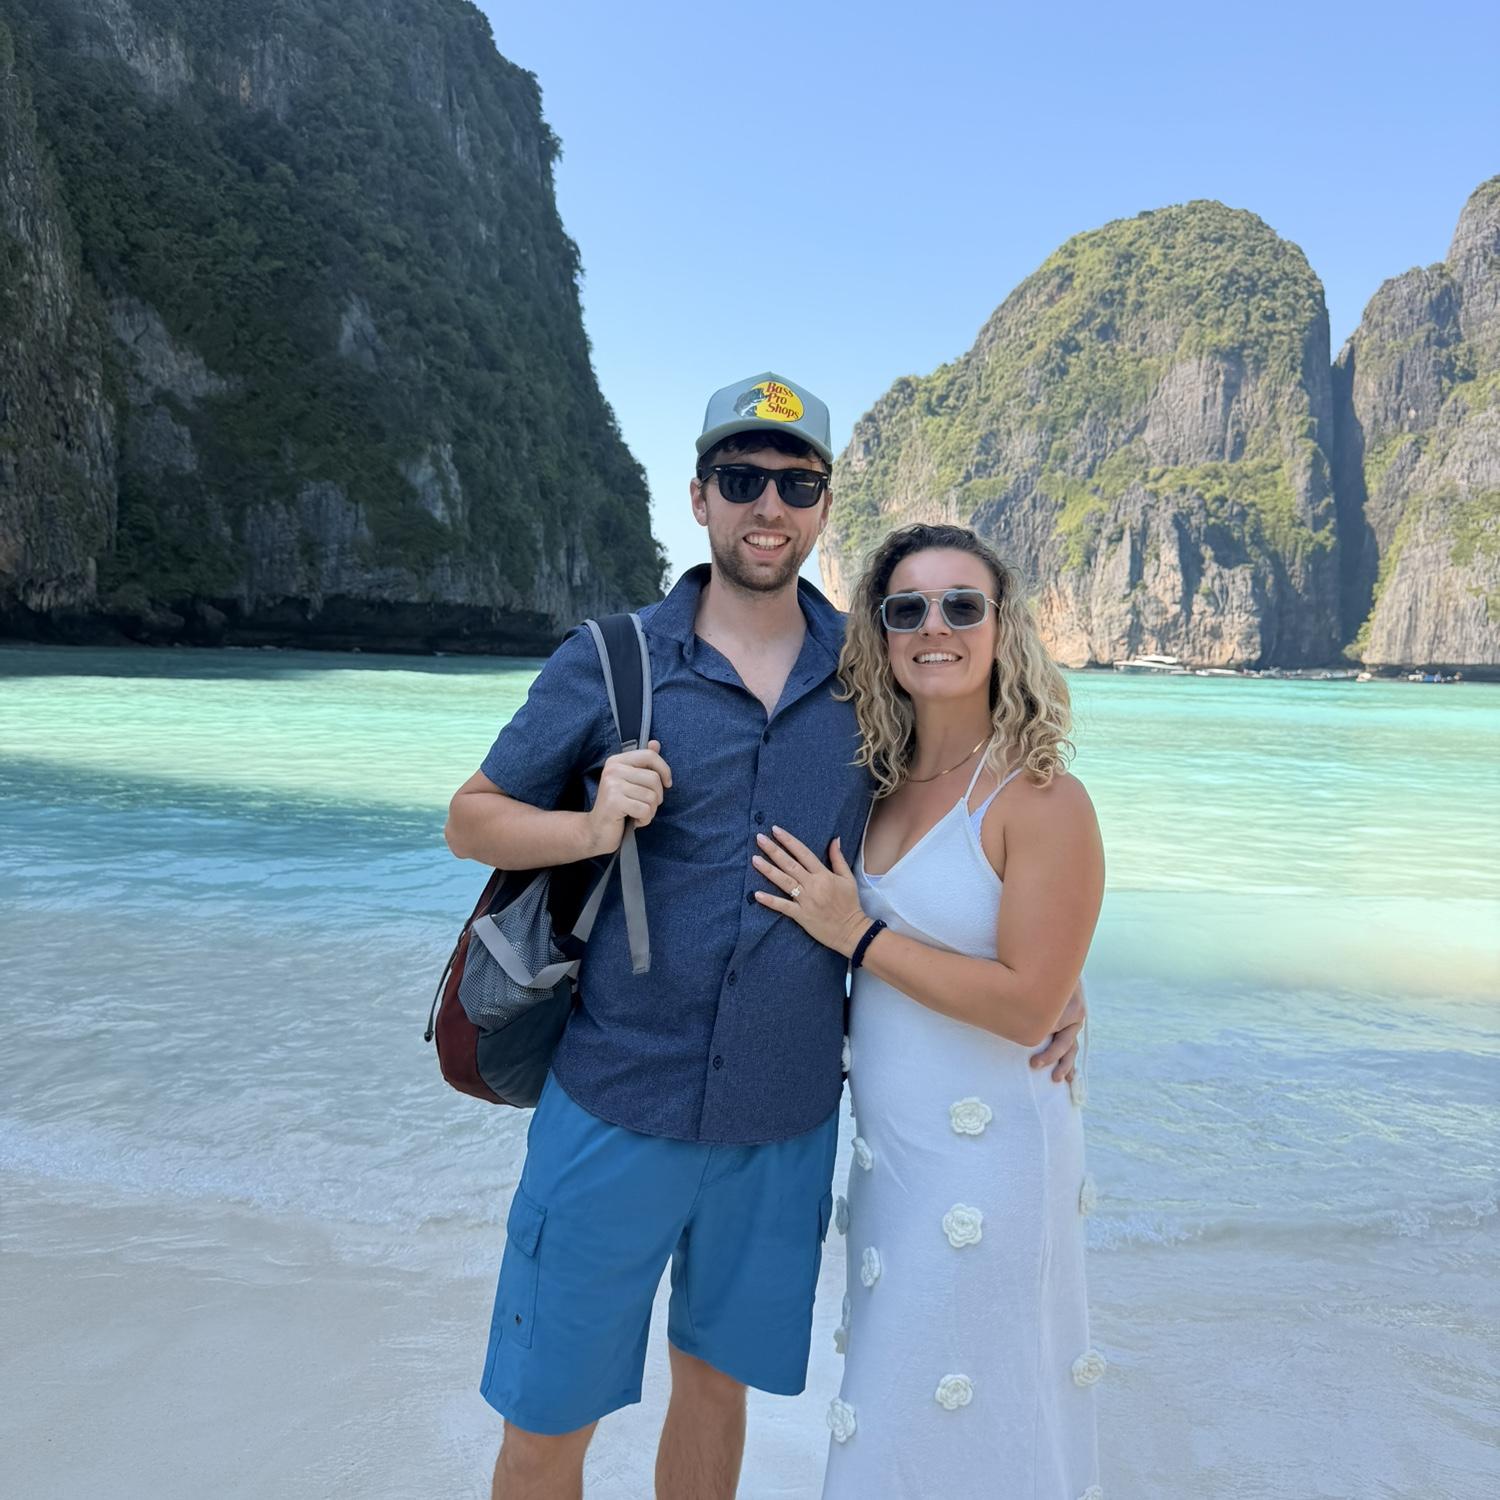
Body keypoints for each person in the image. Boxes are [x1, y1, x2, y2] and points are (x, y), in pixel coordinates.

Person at [445, 377, 1084, 1500]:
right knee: (547, 1418)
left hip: (783, 1122)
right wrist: (589, 825)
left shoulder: (870, 672)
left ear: (826, 505)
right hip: (613, 1098)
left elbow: (966, 820)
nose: (769, 505)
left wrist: (1055, 982)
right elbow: (471, 818)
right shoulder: (614, 659)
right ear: (700, 498)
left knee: (715, 1393)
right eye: (741, 480)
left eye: (797, 482)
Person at [750, 522, 1105, 1499]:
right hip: (893, 1162)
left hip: (992, 1161)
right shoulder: (875, 782)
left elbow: (1029, 1005)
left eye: (961, 605)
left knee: (968, 1401)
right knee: (896, 1407)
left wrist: (857, 936)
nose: (934, 626)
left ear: (1003, 626)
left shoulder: (1043, 798)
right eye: (907, 608)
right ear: (881, 633)